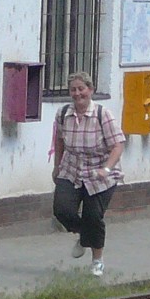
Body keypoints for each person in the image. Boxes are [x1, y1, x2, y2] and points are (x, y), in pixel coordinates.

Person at [51, 72, 124, 276]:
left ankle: (97, 260)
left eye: (81, 89)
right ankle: (84, 235)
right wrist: (57, 166)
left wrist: (106, 169)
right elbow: (59, 141)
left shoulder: (102, 114)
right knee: (62, 210)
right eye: (73, 90)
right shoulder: (63, 113)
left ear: (90, 90)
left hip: (99, 174)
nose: (77, 94)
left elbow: (118, 145)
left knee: (93, 216)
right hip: (72, 170)